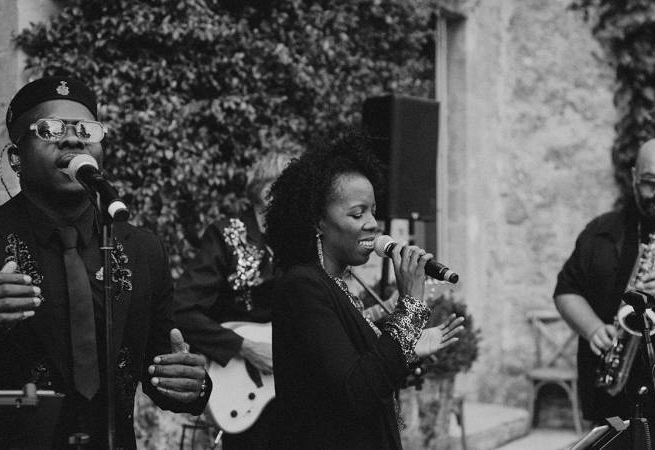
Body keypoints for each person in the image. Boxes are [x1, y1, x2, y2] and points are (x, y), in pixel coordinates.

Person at [0, 76, 210, 449]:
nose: (73, 138)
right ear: (16, 158)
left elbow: (163, 369)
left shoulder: (143, 250)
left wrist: (191, 384)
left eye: (86, 129)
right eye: (49, 129)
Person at [264, 134, 465, 449]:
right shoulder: (301, 287)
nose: (373, 223)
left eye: (373, 211)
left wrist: (408, 345)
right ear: (318, 221)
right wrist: (410, 307)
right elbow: (357, 389)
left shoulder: (336, 284)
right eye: (358, 214)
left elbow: (357, 365)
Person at [555, 137, 655, 448]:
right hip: (622, 397)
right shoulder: (602, 230)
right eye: (648, 182)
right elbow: (566, 290)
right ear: (633, 177)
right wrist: (592, 329)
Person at [174, 151, 294, 449]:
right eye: (296, 190)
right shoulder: (227, 236)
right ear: (268, 193)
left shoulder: (300, 245)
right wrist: (246, 347)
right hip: (241, 385)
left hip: (296, 390)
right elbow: (181, 309)